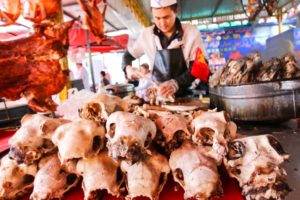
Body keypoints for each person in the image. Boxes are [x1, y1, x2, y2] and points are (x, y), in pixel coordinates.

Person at [122, 0, 206, 97]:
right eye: (157, 18)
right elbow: (127, 56)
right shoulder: (147, 35)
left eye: (166, 17)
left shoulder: (192, 32)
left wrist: (176, 83)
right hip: (158, 97)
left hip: (185, 96)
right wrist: (128, 69)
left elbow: (199, 65)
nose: (162, 23)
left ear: (176, 11)